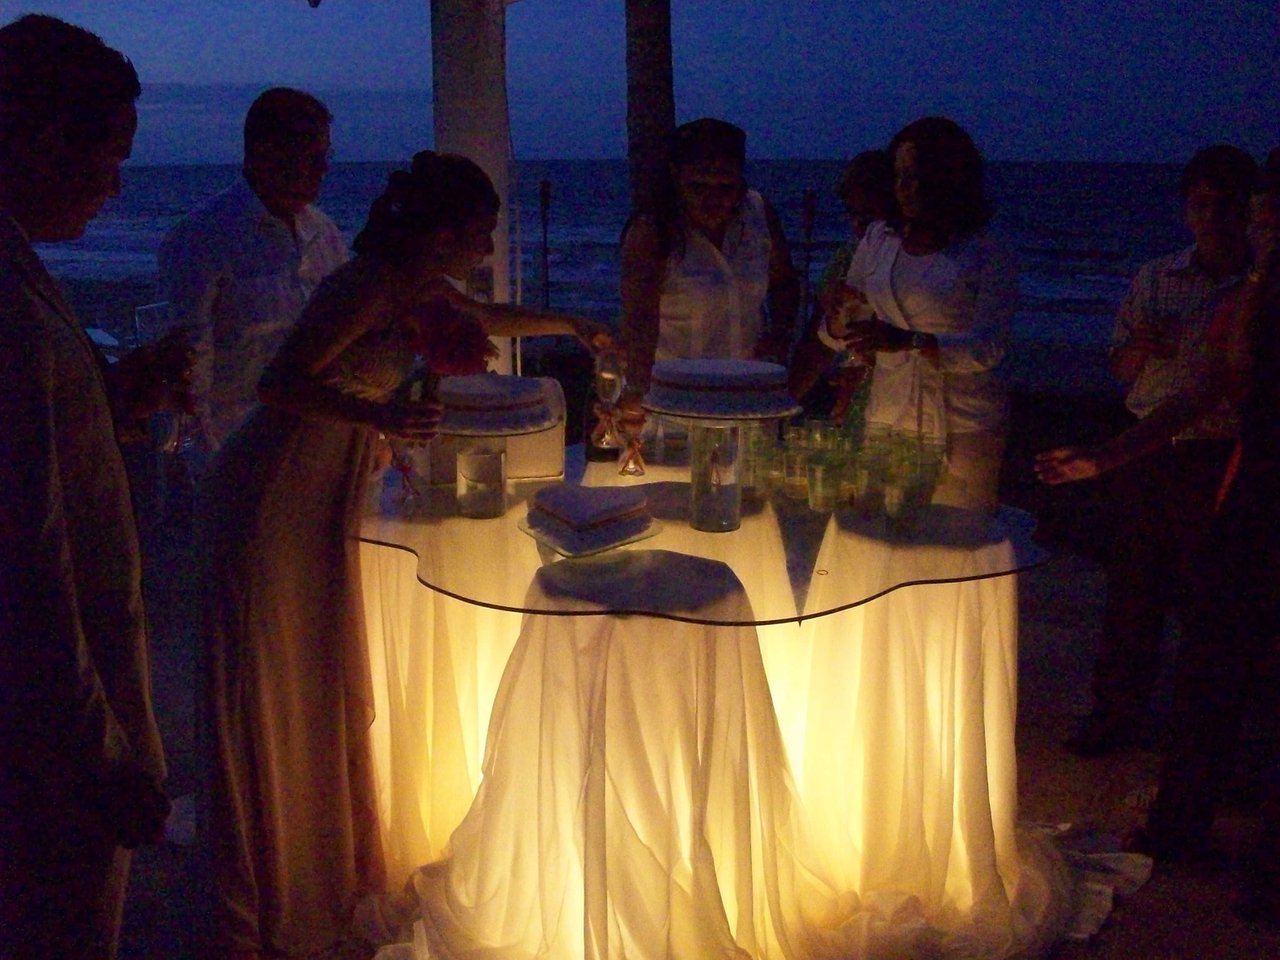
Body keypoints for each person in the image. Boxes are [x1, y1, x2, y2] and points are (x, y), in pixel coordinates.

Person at [200, 150, 607, 958]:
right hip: (276, 484)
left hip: (325, 478)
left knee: (313, 672)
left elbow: (486, 317)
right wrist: (382, 416)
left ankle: (318, 861)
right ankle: (271, 882)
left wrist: (573, 325)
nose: (486, 248)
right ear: (443, 231)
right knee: (272, 675)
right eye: (480, 232)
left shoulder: (418, 285)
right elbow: (280, 383)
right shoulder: (366, 284)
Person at [1036, 167, 1280, 925]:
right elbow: (1202, 389)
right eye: (1261, 222)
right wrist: (1109, 454)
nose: (1260, 235)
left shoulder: (1250, 294)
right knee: (1207, 648)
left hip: (1241, 475)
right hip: (1250, 486)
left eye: (1266, 220)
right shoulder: (1243, 299)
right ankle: (1185, 820)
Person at [0, 14, 175, 958]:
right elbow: (25, 562)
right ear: (42, 139)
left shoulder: (20, 269)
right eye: (111, 157)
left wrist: (111, 402)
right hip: (49, 747)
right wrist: (103, 753)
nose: (116, 186)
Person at [1065, 144, 1255, 756]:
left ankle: (1201, 731)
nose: (1211, 216)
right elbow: (1121, 368)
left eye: (1224, 204)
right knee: (1132, 588)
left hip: (1218, 449)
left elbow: (1220, 385)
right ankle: (1114, 715)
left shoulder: (1255, 285)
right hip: (1147, 447)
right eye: (1200, 204)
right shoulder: (1158, 277)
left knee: (1209, 596)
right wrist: (1139, 347)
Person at [831, 117, 1016, 514]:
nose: (904, 188)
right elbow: (843, 328)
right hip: (889, 412)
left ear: (950, 180)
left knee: (955, 532)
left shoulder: (987, 249)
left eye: (916, 177)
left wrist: (910, 341)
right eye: (898, 176)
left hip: (961, 422)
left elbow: (989, 347)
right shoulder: (880, 239)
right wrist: (839, 314)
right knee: (878, 526)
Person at [159, 87, 348, 461]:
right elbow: (189, 365)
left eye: (325, 155)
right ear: (265, 152)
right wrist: (209, 462)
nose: (323, 168)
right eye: (311, 155)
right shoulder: (203, 238)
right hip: (241, 452)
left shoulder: (325, 235)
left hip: (320, 447)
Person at [618, 117, 800, 403]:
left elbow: (784, 283)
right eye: (698, 186)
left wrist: (780, 335)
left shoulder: (758, 215)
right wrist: (635, 394)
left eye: (725, 187)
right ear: (676, 176)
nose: (712, 198)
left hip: (747, 392)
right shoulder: (652, 233)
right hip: (676, 397)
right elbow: (639, 325)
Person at [788, 149, 896, 419]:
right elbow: (818, 343)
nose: (859, 224)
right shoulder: (847, 258)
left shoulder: (914, 260)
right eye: (853, 214)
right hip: (861, 400)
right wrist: (784, 404)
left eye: (869, 216)